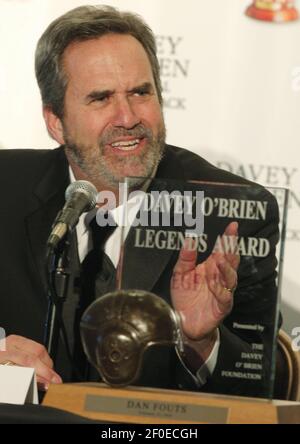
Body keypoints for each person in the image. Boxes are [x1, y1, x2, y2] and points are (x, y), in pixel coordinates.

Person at [0, 5, 279, 397]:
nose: (127, 117)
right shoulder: (5, 190)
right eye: (100, 98)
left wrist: (201, 341)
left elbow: (268, 383)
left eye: (140, 92)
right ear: (55, 121)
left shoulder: (231, 213)